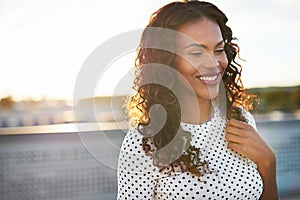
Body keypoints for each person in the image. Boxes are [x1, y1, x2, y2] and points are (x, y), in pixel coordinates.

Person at [117, 0, 278, 199]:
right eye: (196, 53)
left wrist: (268, 163)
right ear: (167, 61)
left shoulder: (241, 119)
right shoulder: (143, 143)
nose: (213, 63)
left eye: (218, 50)